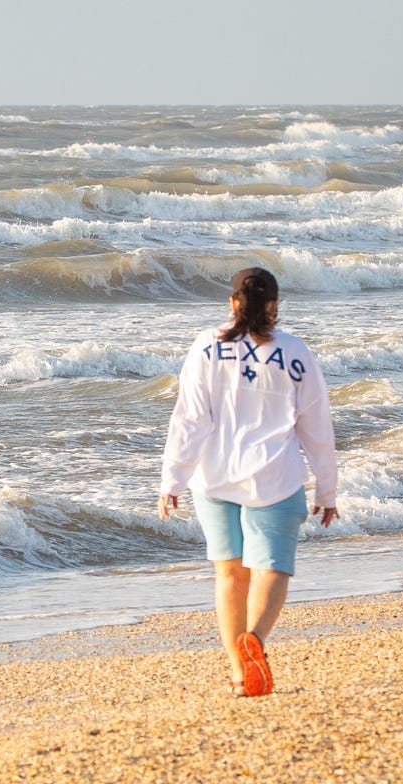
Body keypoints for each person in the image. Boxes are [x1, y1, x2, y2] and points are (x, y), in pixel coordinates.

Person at [158, 267, 338, 697]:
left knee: (229, 576)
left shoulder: (206, 346)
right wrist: (326, 488)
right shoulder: (295, 353)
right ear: (275, 305)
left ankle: (241, 675)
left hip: (214, 478)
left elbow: (190, 419)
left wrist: (172, 479)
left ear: (232, 302)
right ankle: (255, 637)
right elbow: (316, 427)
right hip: (275, 476)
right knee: (273, 568)